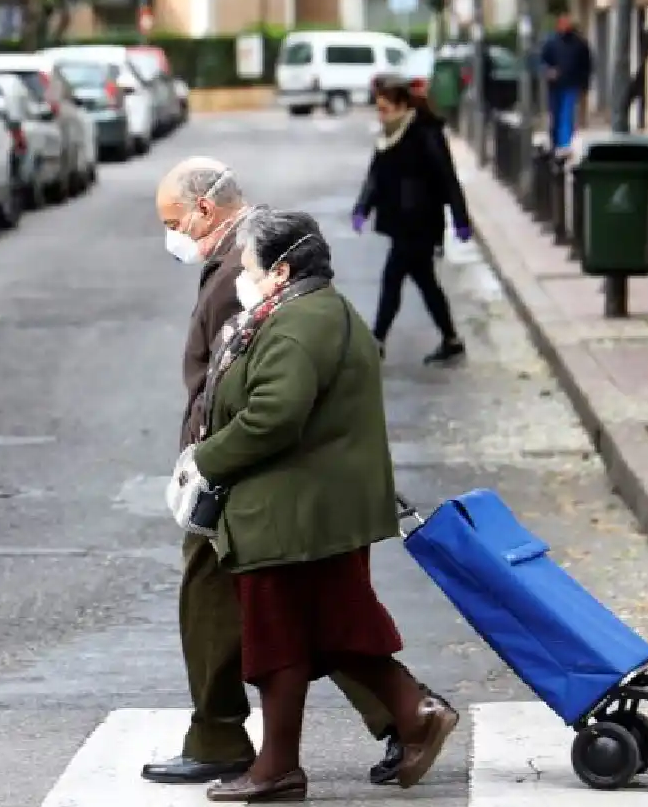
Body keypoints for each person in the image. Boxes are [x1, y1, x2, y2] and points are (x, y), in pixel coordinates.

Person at [146, 157, 412, 787]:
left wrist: (205, 460)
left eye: (173, 221)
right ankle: (393, 718)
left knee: (283, 618)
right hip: (263, 480)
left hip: (253, 482)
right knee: (300, 617)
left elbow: (251, 399)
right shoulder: (250, 277)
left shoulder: (263, 291)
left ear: (204, 210)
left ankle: (397, 717)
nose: (171, 236)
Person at [183, 207, 459, 802]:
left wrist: (205, 459)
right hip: (311, 506)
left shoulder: (300, 322)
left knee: (281, 637)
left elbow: (273, 417)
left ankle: (281, 767)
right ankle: (414, 717)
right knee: (330, 631)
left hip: (294, 511)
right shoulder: (309, 311)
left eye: (252, 267)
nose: (244, 277)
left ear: (280, 271)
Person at [352, 74, 471, 364]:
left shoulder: (425, 133)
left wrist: (460, 218)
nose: (381, 115)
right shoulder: (389, 135)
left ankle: (376, 340)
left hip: (420, 221)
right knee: (425, 281)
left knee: (392, 278)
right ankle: (451, 338)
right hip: (400, 220)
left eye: (385, 109)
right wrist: (362, 207)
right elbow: (376, 177)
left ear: (402, 105)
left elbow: (447, 178)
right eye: (378, 109)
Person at [539, 13, 594, 151]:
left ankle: (564, 144)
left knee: (567, 114)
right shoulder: (551, 42)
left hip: (571, 84)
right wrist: (548, 71)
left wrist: (584, 84)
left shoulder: (579, 43)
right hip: (554, 85)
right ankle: (556, 142)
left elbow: (587, 65)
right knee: (555, 114)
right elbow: (542, 61)